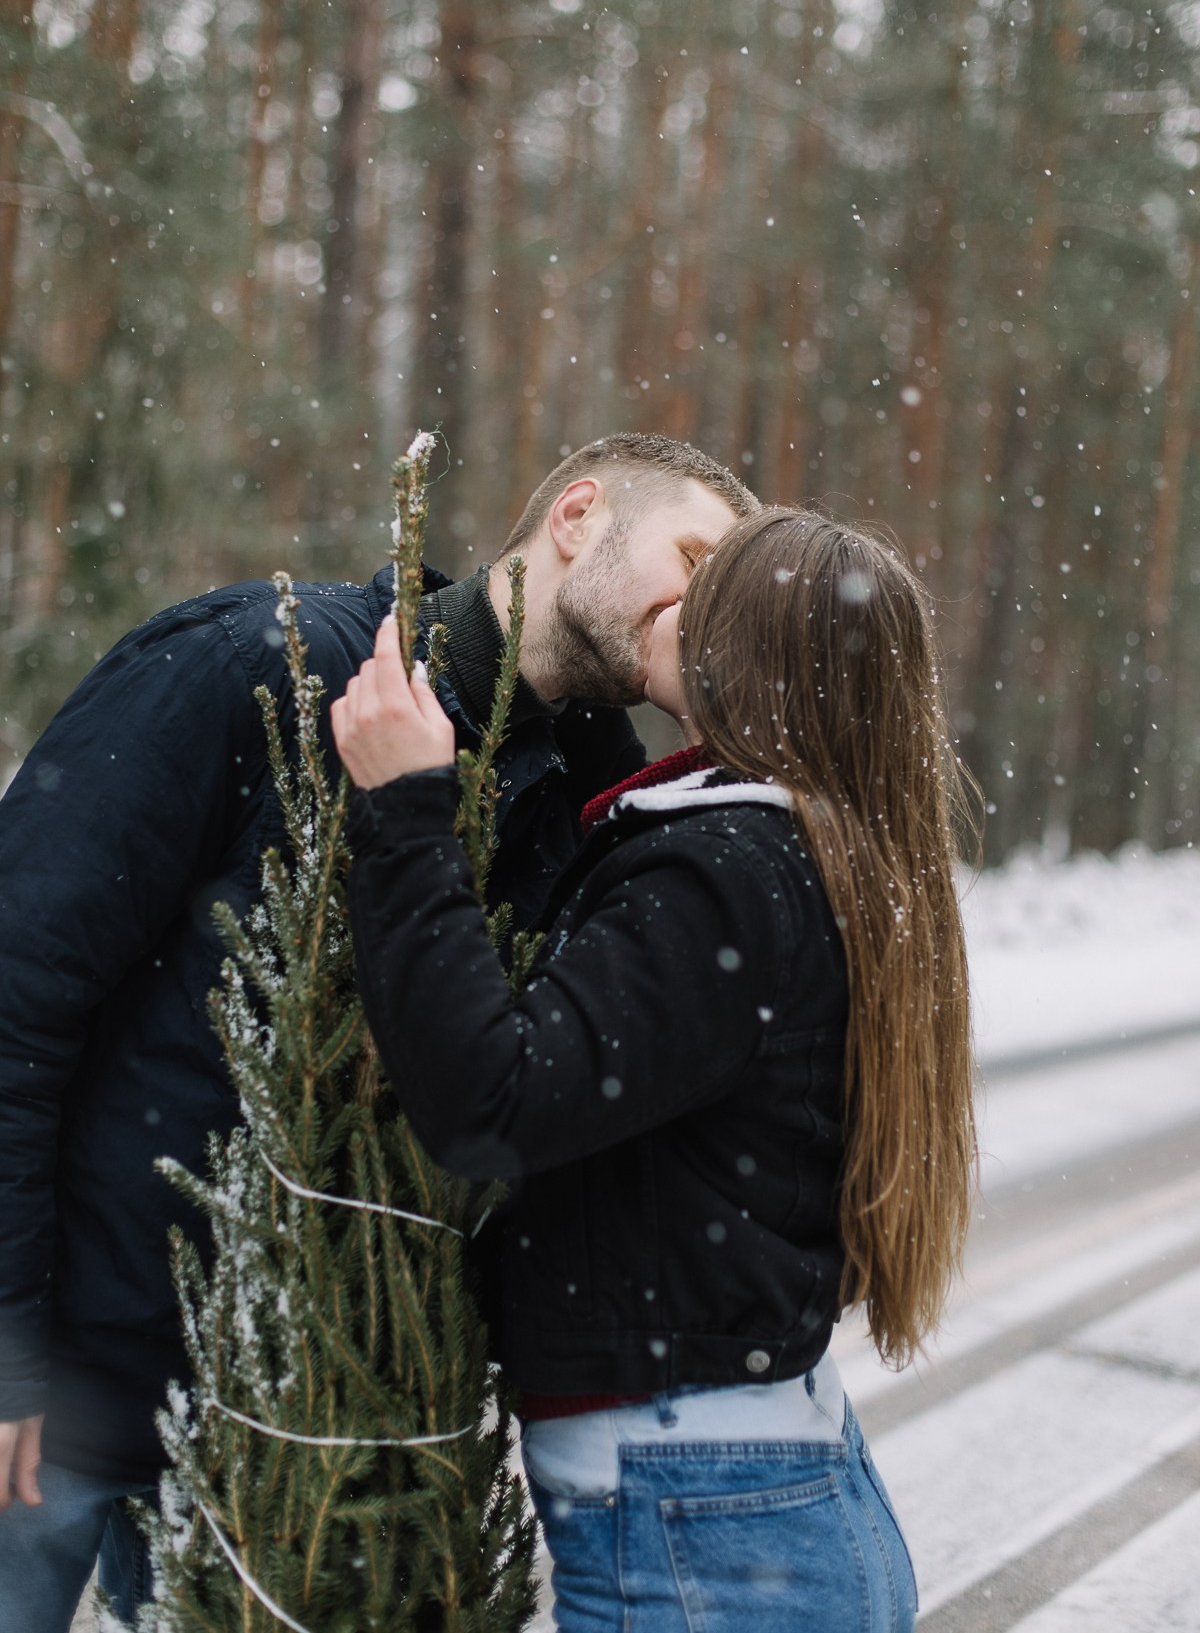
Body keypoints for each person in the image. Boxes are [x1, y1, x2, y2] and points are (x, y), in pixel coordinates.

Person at [0, 433, 756, 1632]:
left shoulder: (593, 793)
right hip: (73, 1370)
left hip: (311, 1433)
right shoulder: (261, 665)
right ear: (577, 516)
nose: (704, 613)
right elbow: (17, 990)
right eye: (696, 562)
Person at [332, 506, 979, 1631]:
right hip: (747, 1502)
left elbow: (494, 1099)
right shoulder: (802, 846)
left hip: (705, 1524)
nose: (665, 607)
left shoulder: (724, 878)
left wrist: (405, 813)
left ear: (743, 659)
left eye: (697, 592)